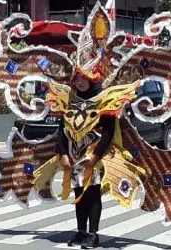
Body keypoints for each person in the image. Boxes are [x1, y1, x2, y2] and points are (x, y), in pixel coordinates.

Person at [57, 73, 115, 249]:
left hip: (94, 155)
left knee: (92, 194)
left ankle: (93, 234)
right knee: (78, 194)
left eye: (83, 78)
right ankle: (81, 231)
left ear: (91, 79)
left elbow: (108, 131)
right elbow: (61, 130)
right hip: (75, 156)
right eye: (76, 79)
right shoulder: (69, 101)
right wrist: (63, 155)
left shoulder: (102, 100)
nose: (80, 82)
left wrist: (95, 156)